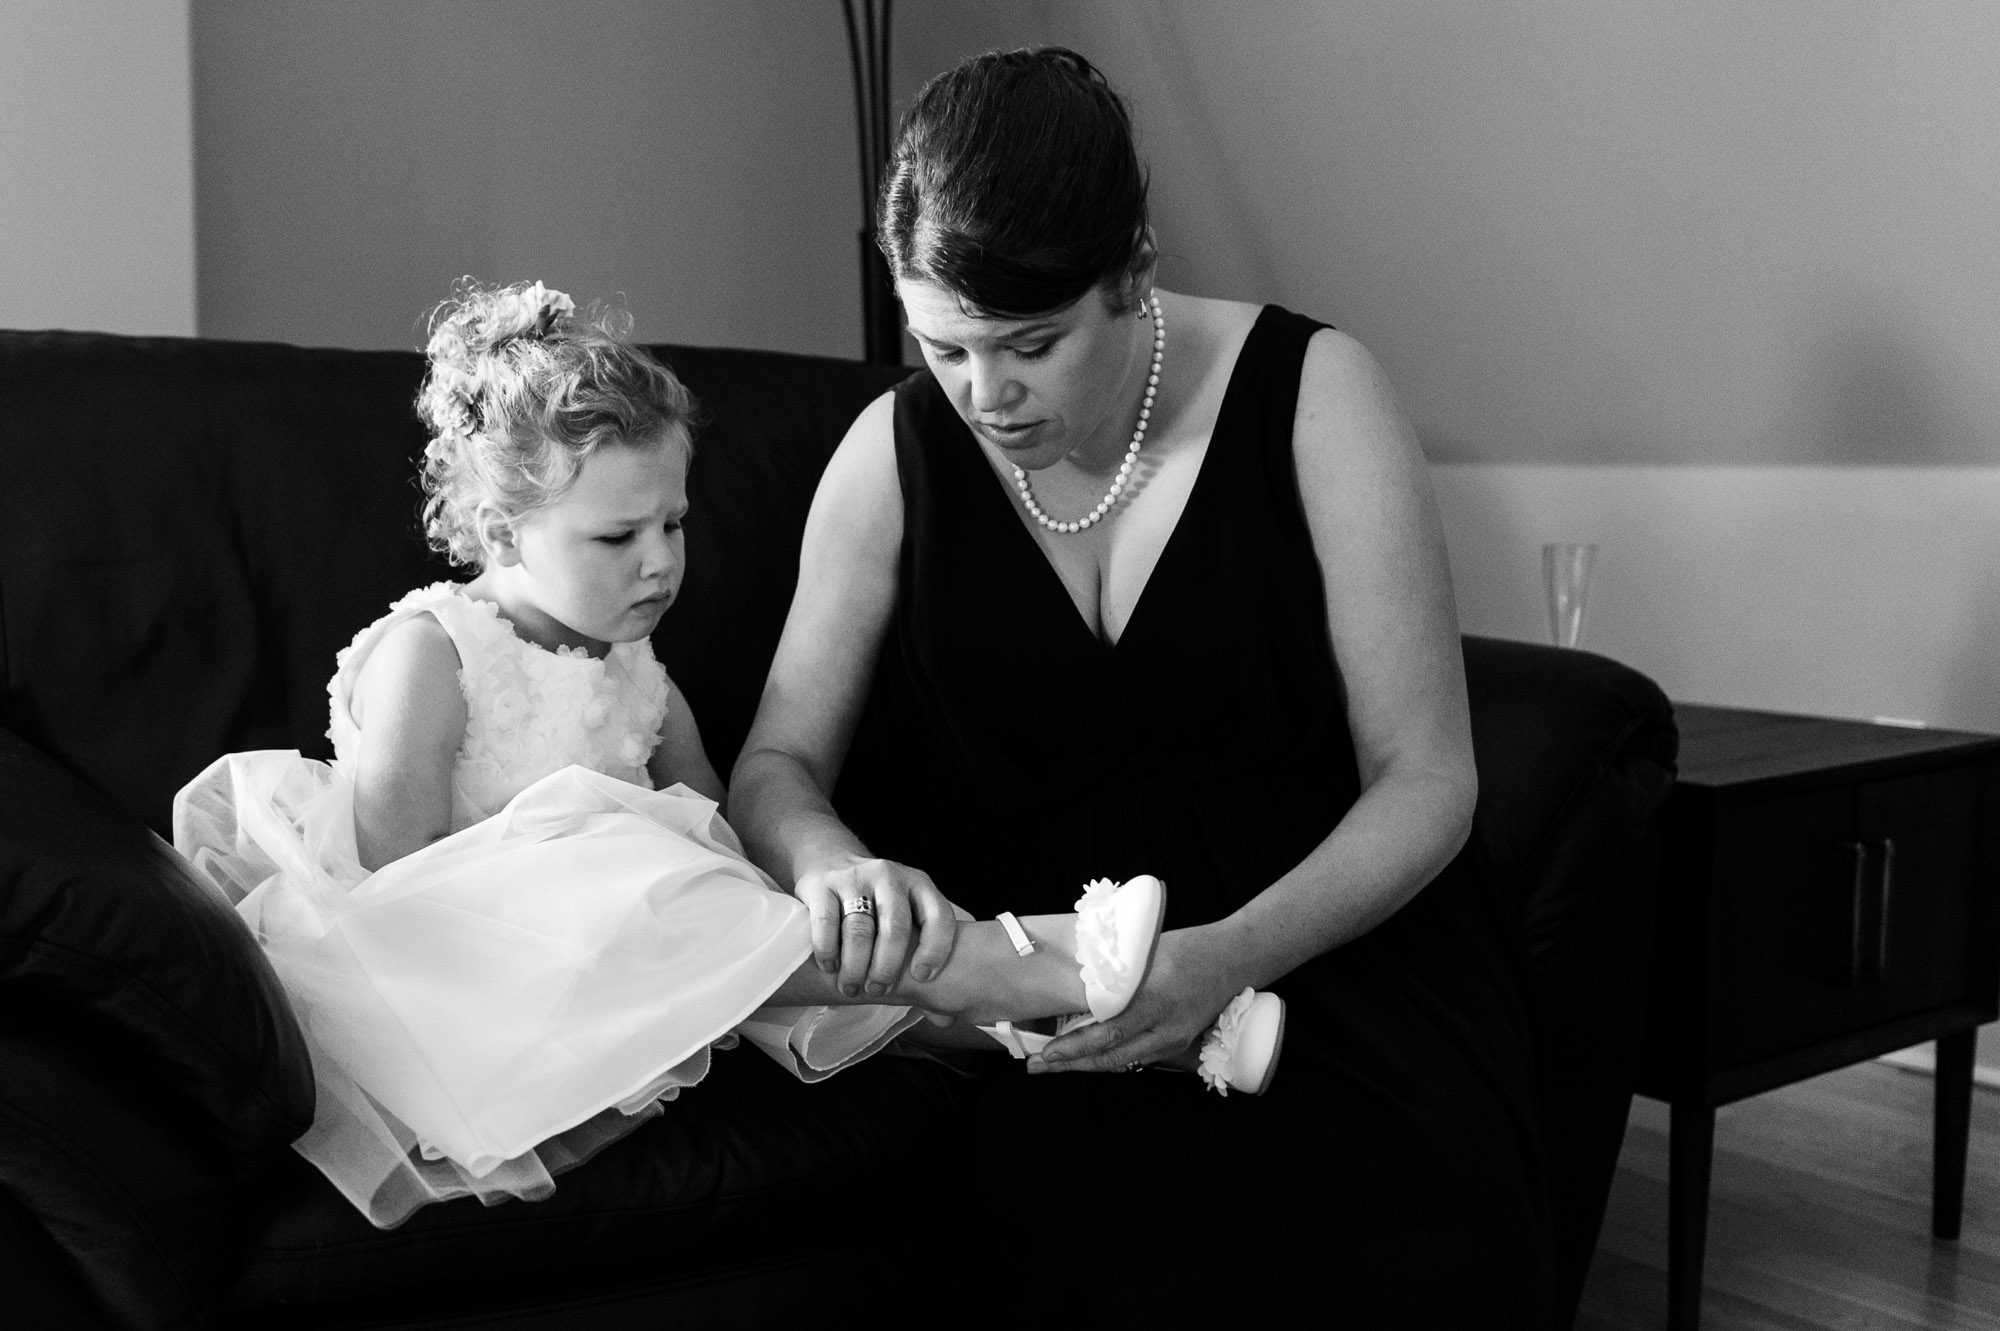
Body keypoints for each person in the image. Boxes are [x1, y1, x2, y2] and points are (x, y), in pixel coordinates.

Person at [728, 49, 1550, 1326]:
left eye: (1030, 344)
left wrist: (1221, 959)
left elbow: (1429, 779)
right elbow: (776, 766)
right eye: (940, 345)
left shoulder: (1317, 398)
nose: (982, 394)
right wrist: (835, 862)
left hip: (1325, 961)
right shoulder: (889, 457)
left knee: (1394, 1225)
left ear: (1133, 270)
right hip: (1056, 995)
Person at [170, 279, 1189, 1229]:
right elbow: (387, 876)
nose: (659, 560)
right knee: (631, 863)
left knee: (821, 968)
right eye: (617, 537)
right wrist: (584, 878)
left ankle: (1137, 1023)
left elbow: (715, 830)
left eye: (674, 521)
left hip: (627, 956)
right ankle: (1036, 957)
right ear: (501, 530)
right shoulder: (434, 653)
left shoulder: (633, 662)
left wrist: (772, 906)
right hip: (451, 979)